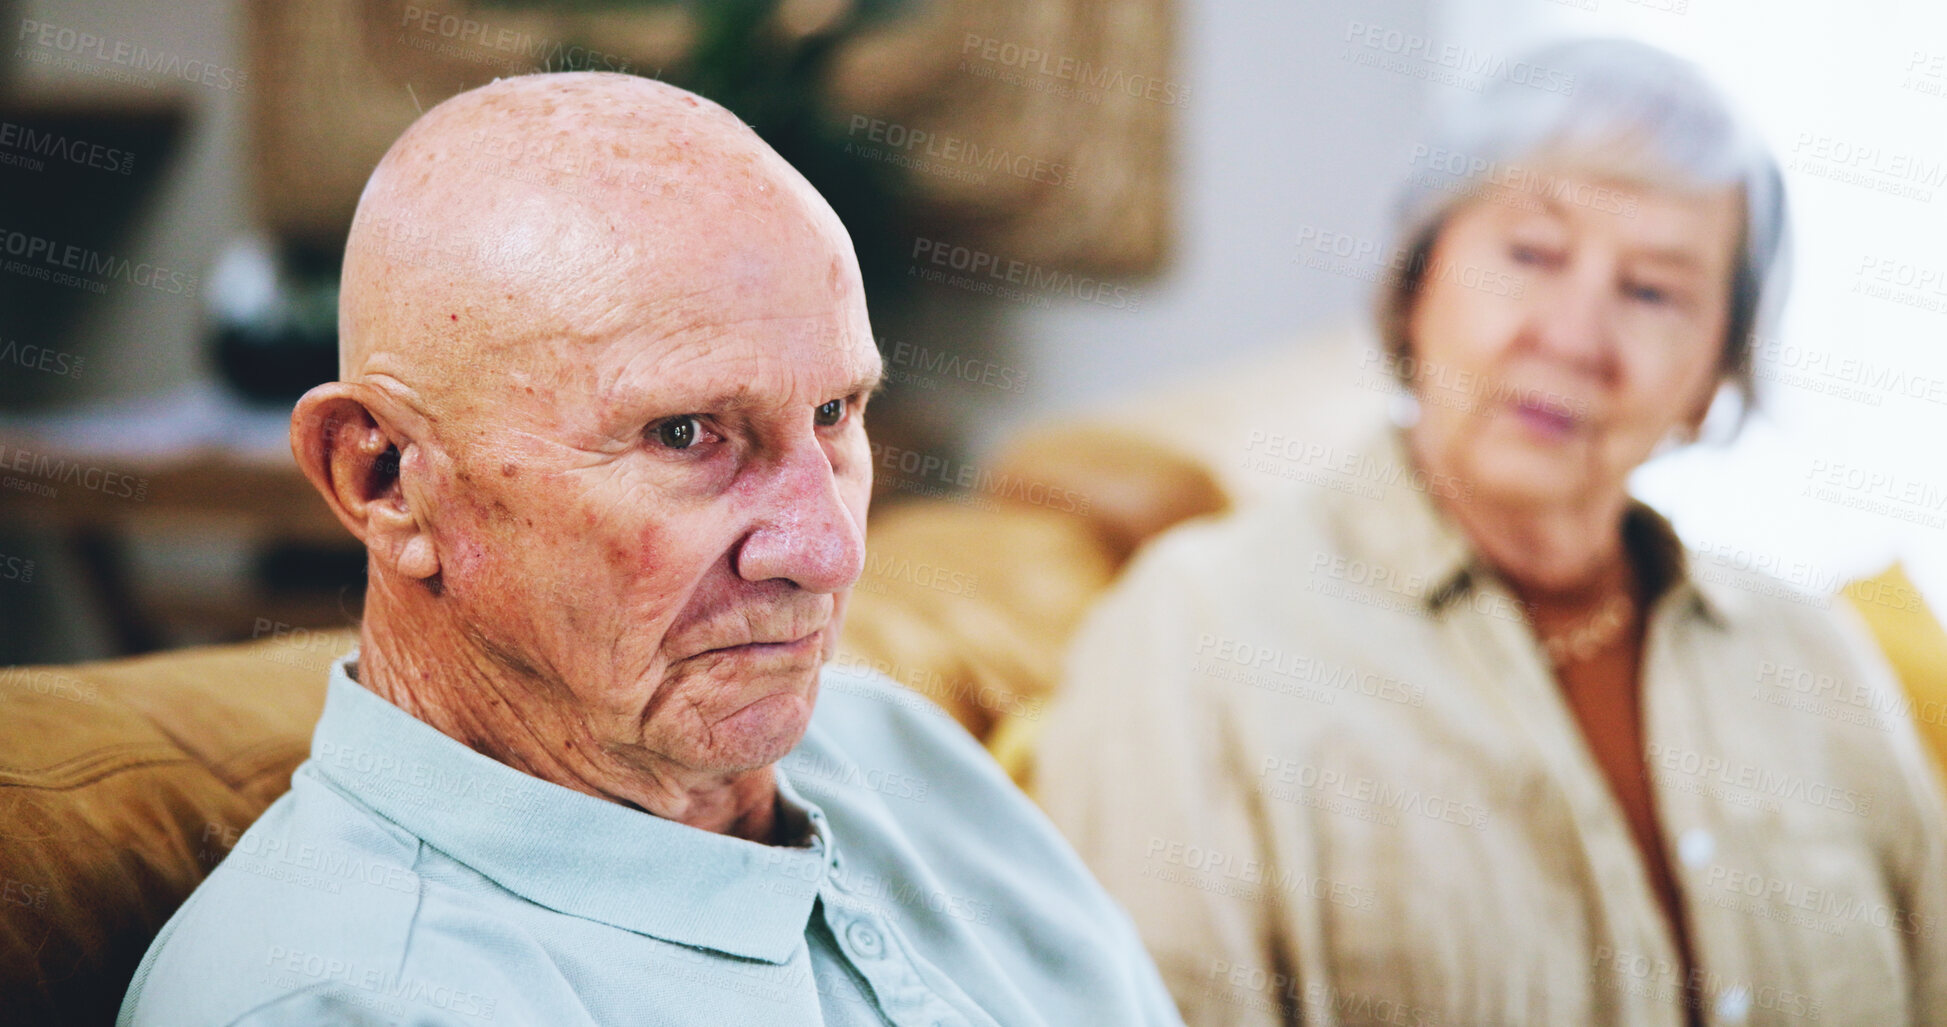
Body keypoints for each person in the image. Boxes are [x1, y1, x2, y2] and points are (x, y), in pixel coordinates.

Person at [120, 72, 1181, 1027]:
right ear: (384, 479)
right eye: (687, 434)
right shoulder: (343, 999)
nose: (829, 549)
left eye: (833, 411)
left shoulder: (907, 755)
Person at [1035, 38, 1946, 1027]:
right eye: (1531, 256)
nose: (1572, 337)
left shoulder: (1817, 658)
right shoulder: (1196, 627)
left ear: (1716, 375)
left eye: (1653, 293)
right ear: (1416, 284)